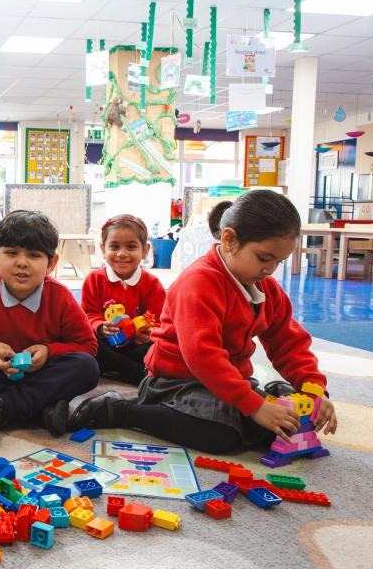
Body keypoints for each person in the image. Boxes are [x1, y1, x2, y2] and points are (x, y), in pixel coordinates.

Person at [68, 191, 339, 454]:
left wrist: (312, 387)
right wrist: (255, 406)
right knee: (222, 436)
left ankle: (272, 396)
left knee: (281, 427)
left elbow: (288, 341)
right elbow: (202, 356)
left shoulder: (265, 287)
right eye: (264, 258)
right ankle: (120, 410)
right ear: (230, 239)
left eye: (279, 261)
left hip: (228, 381)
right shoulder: (200, 282)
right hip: (176, 382)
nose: (270, 270)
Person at [0, 210, 100, 445]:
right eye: (12, 253)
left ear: (51, 263)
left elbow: (88, 347)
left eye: (34, 255)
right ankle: (43, 408)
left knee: (87, 368)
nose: (22, 263)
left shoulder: (60, 297)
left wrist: (48, 352)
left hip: (43, 372)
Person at [81, 214, 166, 385]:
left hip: (137, 346)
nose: (122, 254)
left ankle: (116, 367)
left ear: (145, 250)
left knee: (162, 347)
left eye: (131, 247)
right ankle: (130, 370)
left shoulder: (152, 283)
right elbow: (87, 315)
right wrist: (100, 326)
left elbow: (159, 318)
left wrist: (149, 332)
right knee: (87, 342)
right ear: (103, 249)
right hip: (106, 344)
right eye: (114, 246)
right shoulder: (94, 279)